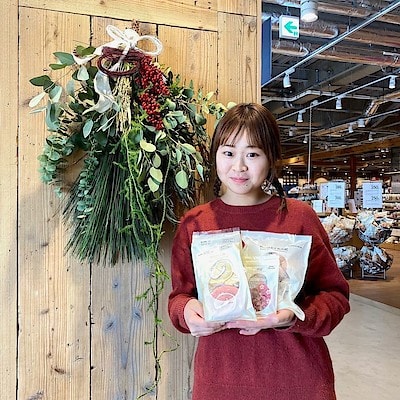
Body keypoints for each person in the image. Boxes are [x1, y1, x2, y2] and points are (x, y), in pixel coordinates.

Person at [168, 103, 350, 400]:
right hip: (221, 379)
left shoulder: (299, 218)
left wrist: (295, 316)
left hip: (297, 380)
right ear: (215, 155)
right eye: (228, 153)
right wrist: (186, 311)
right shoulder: (196, 223)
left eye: (252, 154)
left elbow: (335, 296)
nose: (239, 166)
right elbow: (179, 297)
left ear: (271, 158)